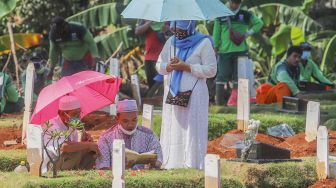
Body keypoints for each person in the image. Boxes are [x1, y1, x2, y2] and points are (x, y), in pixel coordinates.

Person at [156, 20, 217, 169]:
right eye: (175, 29)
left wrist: (187, 67)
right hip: (173, 93)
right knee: (174, 127)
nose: (178, 33)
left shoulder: (203, 43)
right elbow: (159, 65)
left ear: (190, 27)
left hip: (195, 96)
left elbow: (211, 70)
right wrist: (168, 66)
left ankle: (193, 163)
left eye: (181, 30)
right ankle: (172, 162)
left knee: (193, 129)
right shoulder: (171, 41)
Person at [212, 0, 263, 105]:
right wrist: (215, 47)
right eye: (233, 2)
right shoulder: (220, 15)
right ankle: (219, 104)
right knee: (222, 76)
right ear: (229, 1)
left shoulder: (246, 14)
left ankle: (235, 103)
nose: (235, 5)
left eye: (237, 3)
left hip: (241, 51)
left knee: (238, 77)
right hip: (224, 51)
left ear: (241, 3)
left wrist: (248, 34)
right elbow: (216, 33)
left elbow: (259, 23)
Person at [96, 99, 162, 170]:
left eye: (134, 120)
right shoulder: (105, 138)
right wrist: (123, 169)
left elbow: (159, 159)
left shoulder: (149, 135)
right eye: (125, 121)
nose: (130, 125)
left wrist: (154, 164)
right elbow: (103, 168)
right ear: (117, 119)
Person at [42, 96, 99, 173]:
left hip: (64, 161)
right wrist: (87, 145)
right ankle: (70, 174)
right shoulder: (52, 125)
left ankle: (82, 174)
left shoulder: (71, 125)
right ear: (62, 113)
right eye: (75, 114)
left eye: (79, 113)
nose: (78, 117)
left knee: (91, 151)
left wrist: (84, 140)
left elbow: (76, 145)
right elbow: (64, 146)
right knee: (79, 149)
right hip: (51, 164)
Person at [135, 20, 169, 88]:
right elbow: (137, 31)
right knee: (151, 84)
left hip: (162, 58)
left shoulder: (166, 17)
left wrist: (167, 29)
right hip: (148, 57)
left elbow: (175, 32)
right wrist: (149, 22)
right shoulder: (147, 17)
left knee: (161, 85)